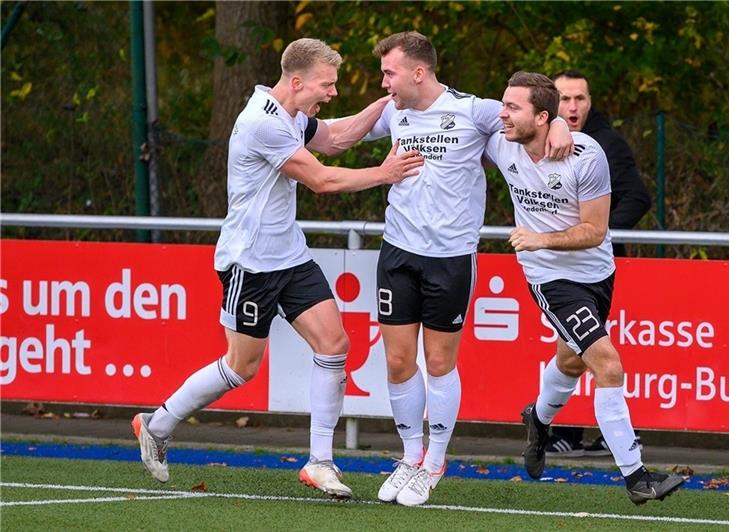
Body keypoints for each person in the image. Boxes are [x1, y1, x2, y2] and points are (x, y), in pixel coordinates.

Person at [131, 38, 424, 501]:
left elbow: (337, 138)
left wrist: (390, 101)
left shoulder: (292, 116)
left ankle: (320, 462)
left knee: (335, 343)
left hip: (290, 255)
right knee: (241, 366)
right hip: (251, 262)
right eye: (326, 85)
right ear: (296, 81)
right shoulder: (261, 123)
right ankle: (157, 423)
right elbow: (321, 179)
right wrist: (384, 173)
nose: (331, 93)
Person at [366, 31, 574, 507]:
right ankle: (409, 455)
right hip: (397, 251)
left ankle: (435, 461)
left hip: (451, 257)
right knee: (398, 361)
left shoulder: (472, 109)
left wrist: (559, 122)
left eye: (389, 73)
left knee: (438, 362)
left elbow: (524, 119)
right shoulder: (393, 111)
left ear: (419, 72)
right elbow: (340, 134)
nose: (384, 83)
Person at [483, 71, 683, 505]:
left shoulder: (587, 154)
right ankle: (637, 477)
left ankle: (538, 418)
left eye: (513, 108)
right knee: (607, 365)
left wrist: (541, 236)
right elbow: (453, 108)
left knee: (571, 362)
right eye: (503, 105)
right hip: (548, 278)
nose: (503, 114)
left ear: (540, 115)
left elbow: (594, 231)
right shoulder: (501, 138)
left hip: (597, 272)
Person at [545, 70, 652, 458]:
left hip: (594, 268)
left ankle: (605, 435)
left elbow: (638, 198)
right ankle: (562, 429)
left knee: (591, 349)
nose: (573, 107)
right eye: (564, 98)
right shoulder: (535, 140)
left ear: (590, 102)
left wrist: (597, 233)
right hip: (556, 264)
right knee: (574, 350)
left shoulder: (606, 144)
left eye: (580, 99)